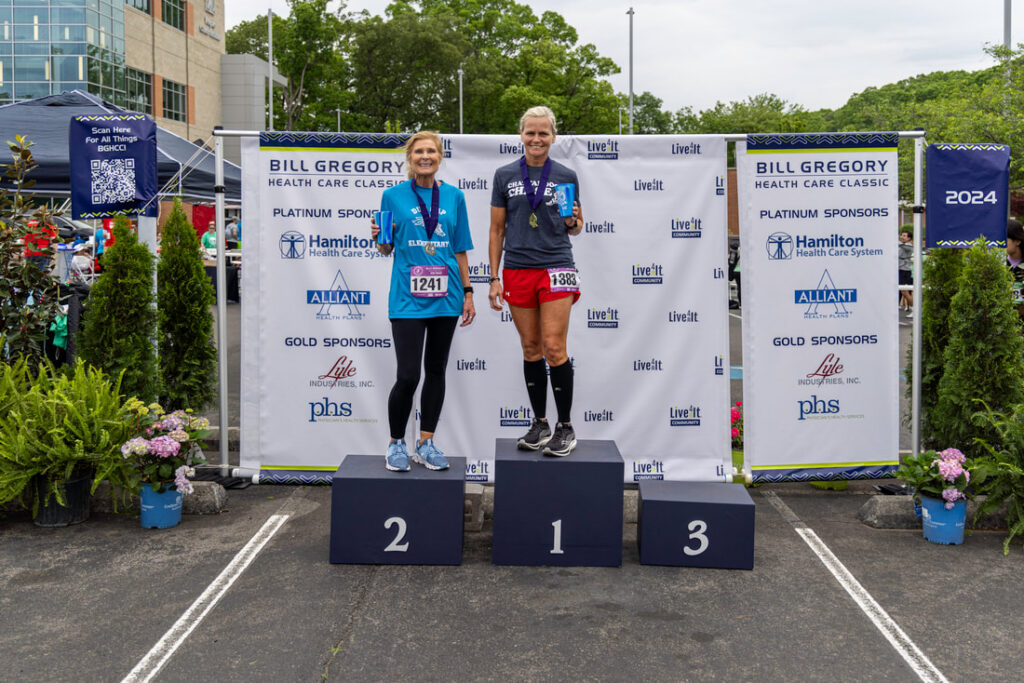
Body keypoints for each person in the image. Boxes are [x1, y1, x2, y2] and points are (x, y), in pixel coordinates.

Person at [371, 130, 475, 472]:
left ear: (440, 157)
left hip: (447, 296)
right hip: (407, 298)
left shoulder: (455, 197)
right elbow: (386, 247)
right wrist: (379, 239)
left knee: (436, 371)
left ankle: (426, 442)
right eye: (419, 152)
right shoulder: (392, 196)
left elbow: (460, 249)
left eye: (431, 151)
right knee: (408, 375)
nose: (425, 157)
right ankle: (396, 443)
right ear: (410, 158)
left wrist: (469, 292)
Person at [488, 105, 583, 457]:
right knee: (531, 348)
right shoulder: (504, 175)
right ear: (521, 135)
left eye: (544, 133)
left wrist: (572, 220)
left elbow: (576, 226)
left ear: (553, 137)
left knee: (554, 347)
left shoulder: (566, 175)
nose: (537, 138)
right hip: (517, 268)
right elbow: (497, 230)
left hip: (556, 266)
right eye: (531, 132)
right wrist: (494, 277)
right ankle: (540, 424)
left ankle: (566, 427)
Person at [1006, 218, 1024, 318]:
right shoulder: (999, 265)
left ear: (1017, 241)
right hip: (1005, 321)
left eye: (1005, 239)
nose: (1001, 243)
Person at [898, 227, 913, 317]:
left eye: (904, 236)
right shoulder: (901, 245)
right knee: (901, 291)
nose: (902, 237)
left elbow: (900, 245)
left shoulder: (908, 246)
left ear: (909, 238)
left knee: (905, 292)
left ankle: (915, 309)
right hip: (899, 270)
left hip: (905, 271)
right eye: (902, 235)